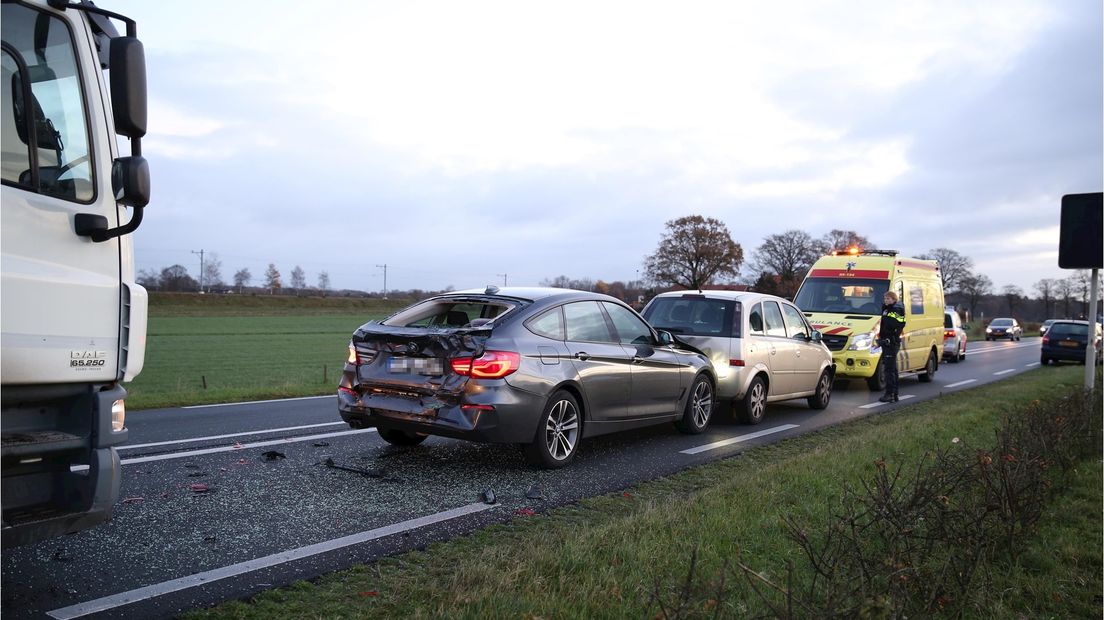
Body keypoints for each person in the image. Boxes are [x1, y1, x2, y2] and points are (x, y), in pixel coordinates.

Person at [878, 291, 906, 403]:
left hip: (891, 342)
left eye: (889, 299)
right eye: (885, 298)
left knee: (889, 370)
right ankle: (894, 394)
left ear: (894, 299)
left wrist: (889, 337)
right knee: (892, 369)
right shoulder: (887, 309)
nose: (886, 300)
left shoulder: (896, 310)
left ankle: (890, 394)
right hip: (888, 341)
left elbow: (895, 325)